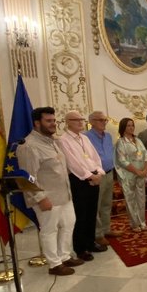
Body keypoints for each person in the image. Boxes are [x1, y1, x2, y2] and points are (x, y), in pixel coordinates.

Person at [17, 107, 84, 276]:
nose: (53, 124)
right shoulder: (29, 146)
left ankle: (64, 256)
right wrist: (40, 198)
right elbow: (28, 178)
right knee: (49, 230)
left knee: (69, 224)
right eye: (48, 121)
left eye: (54, 121)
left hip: (64, 194)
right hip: (47, 198)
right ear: (37, 123)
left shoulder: (52, 141)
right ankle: (54, 264)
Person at [59, 110, 106, 261]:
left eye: (81, 119)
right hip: (79, 180)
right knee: (81, 214)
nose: (80, 122)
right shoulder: (63, 140)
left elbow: (95, 157)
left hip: (94, 176)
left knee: (92, 212)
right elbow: (73, 164)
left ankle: (90, 242)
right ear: (68, 122)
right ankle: (80, 248)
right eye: (76, 119)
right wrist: (90, 176)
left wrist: (99, 173)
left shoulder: (84, 138)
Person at [86, 111, 119, 246]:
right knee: (96, 206)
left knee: (106, 204)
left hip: (109, 173)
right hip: (96, 175)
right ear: (92, 122)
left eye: (105, 120)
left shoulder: (108, 136)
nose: (104, 122)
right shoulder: (85, 137)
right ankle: (97, 234)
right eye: (100, 120)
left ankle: (106, 229)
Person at [115, 118, 147, 232]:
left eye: (132, 125)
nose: (131, 127)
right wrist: (137, 171)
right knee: (131, 200)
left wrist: (145, 170)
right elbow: (122, 161)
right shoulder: (121, 142)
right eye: (128, 125)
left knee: (141, 199)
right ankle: (134, 223)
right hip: (128, 175)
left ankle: (142, 222)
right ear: (123, 127)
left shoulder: (138, 140)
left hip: (141, 174)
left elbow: (146, 155)